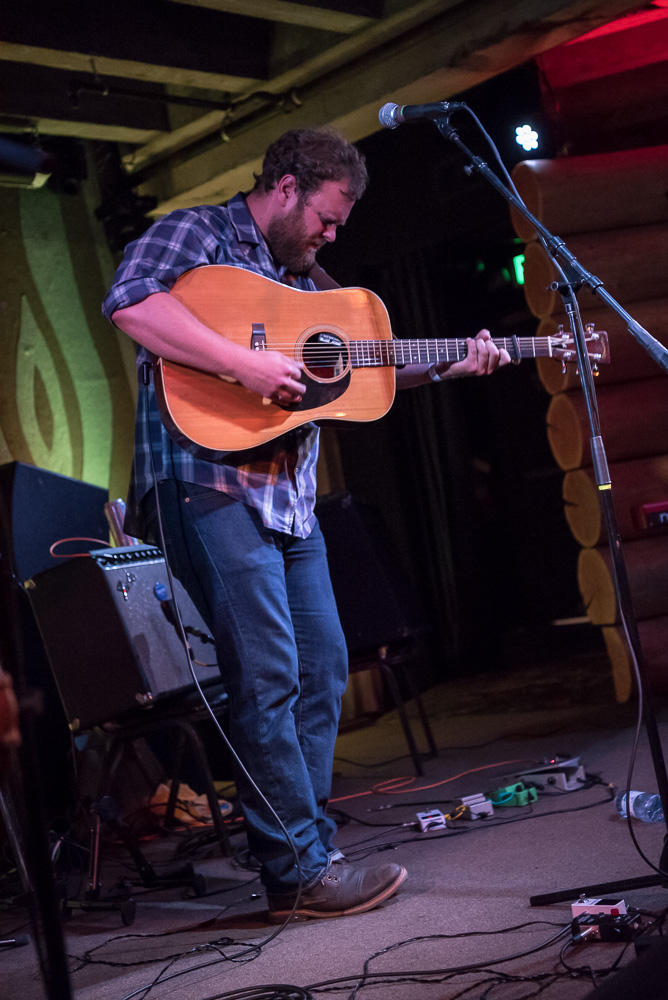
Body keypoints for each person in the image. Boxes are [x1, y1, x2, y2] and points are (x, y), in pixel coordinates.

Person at [102, 127, 510, 922]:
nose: (330, 236)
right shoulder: (201, 234)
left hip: (286, 498)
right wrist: (244, 364)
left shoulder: (306, 281)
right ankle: (297, 871)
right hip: (204, 482)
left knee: (324, 668)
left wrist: (451, 363)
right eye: (325, 219)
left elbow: (362, 368)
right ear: (285, 187)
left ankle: (304, 843)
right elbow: (130, 302)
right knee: (269, 677)